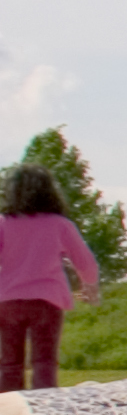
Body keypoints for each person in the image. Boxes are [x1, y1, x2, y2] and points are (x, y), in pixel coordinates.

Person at [0, 164, 101, 394]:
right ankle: (45, 410)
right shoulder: (60, 225)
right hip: (47, 301)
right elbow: (86, 262)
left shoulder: (4, 223)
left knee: (9, 363)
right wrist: (90, 287)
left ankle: (6, 411)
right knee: (44, 361)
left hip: (8, 301)